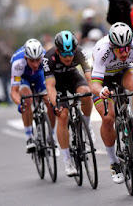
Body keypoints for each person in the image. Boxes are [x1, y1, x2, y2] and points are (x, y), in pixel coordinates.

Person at [91, 22, 133, 184]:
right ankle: (114, 162)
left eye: (126, 48)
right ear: (111, 46)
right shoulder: (102, 51)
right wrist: (101, 91)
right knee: (108, 118)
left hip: (123, 71)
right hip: (102, 79)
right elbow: (94, 84)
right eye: (119, 49)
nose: (124, 52)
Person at [43, 30, 94, 177]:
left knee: (85, 92)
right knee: (63, 116)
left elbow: (89, 77)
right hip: (57, 84)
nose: (69, 57)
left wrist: (95, 92)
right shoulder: (49, 58)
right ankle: (67, 160)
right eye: (64, 54)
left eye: (71, 53)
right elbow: (50, 87)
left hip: (72, 77)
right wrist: (55, 105)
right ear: (58, 51)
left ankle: (87, 124)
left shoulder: (79, 52)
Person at [10, 38, 56, 154]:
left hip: (39, 76)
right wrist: (20, 103)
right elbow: (14, 91)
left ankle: (51, 136)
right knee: (27, 100)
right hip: (24, 78)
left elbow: (52, 82)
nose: (35, 64)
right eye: (32, 61)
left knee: (50, 101)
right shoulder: (18, 63)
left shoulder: (46, 58)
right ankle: (29, 136)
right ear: (26, 58)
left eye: (37, 60)